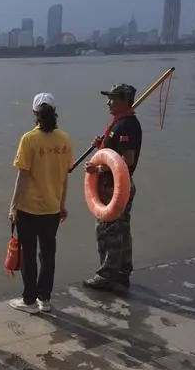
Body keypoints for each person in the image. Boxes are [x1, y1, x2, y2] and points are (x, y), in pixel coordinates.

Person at [8, 93, 73, 314]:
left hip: (28, 208)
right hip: (52, 208)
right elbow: (64, 176)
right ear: (55, 112)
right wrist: (62, 204)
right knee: (48, 253)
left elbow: (23, 176)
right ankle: (44, 299)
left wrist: (13, 206)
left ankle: (29, 300)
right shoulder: (64, 139)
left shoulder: (29, 139)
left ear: (34, 114)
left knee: (28, 255)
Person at [83, 83, 141, 293]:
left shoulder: (126, 125)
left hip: (115, 187)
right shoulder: (120, 124)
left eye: (113, 98)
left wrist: (98, 170)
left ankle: (107, 275)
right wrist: (102, 145)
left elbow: (127, 160)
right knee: (122, 230)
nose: (108, 102)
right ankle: (123, 272)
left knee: (109, 231)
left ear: (125, 101)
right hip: (118, 185)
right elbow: (113, 152)